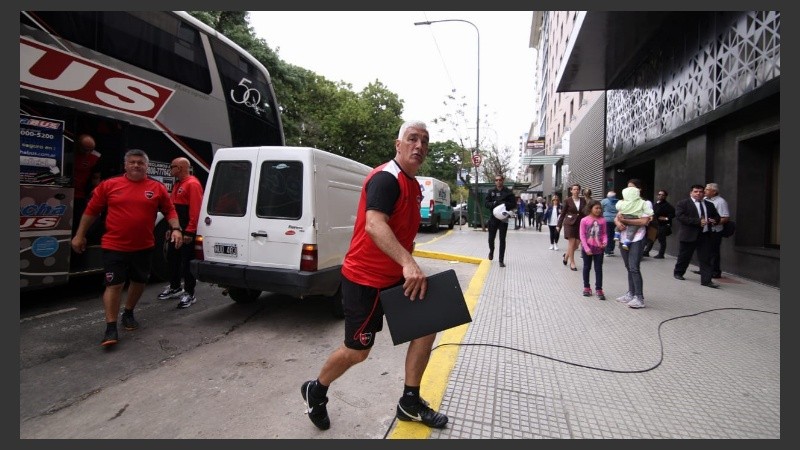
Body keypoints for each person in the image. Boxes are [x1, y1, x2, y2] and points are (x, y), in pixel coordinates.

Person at [300, 120, 448, 431]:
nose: (419, 145)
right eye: (412, 139)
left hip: (394, 278)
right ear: (398, 145)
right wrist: (409, 263)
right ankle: (317, 389)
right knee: (358, 352)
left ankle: (409, 402)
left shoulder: (415, 185)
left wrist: (406, 261)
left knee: (428, 325)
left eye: (424, 140)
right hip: (364, 280)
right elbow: (374, 225)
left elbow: (400, 231)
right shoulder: (386, 178)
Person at [71, 149, 183, 347]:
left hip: (144, 246)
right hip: (115, 245)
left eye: (140, 162)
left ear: (146, 166)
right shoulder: (110, 185)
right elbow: (91, 211)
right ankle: (111, 327)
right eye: (132, 162)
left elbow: (169, 210)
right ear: (125, 165)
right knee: (114, 284)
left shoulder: (156, 188)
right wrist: (80, 235)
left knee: (139, 282)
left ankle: (129, 312)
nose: (136, 165)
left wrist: (176, 228)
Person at [157, 157, 205, 308]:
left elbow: (195, 211)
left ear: (180, 168)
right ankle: (175, 287)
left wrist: (189, 233)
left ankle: (189, 293)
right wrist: (171, 229)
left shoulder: (192, 184)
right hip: (176, 230)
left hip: (186, 232)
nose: (170, 169)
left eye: (172, 166)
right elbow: (173, 210)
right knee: (173, 258)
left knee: (186, 262)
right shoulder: (178, 183)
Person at [673, 184, 721, 288]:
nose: (698, 193)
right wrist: (697, 222)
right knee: (684, 256)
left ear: (703, 193)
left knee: (706, 258)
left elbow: (717, 216)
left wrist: (715, 220)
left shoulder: (709, 204)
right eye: (695, 191)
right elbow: (680, 217)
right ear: (691, 193)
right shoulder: (683, 203)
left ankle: (706, 281)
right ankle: (678, 272)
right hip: (688, 234)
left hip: (705, 235)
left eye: (700, 192)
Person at [614, 179, 652, 309]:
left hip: (637, 238)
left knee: (634, 267)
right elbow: (617, 217)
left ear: (639, 190)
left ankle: (639, 297)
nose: (629, 190)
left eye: (632, 188)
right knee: (628, 267)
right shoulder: (624, 203)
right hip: (623, 238)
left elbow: (644, 221)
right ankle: (631, 293)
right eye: (628, 187)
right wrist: (618, 223)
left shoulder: (645, 203)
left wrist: (626, 221)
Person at [72, 134, 102, 233]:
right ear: (77, 146)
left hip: (81, 193)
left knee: (79, 219)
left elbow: (96, 177)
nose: (88, 153)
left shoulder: (96, 157)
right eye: (85, 150)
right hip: (68, 189)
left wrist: (95, 192)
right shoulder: (68, 151)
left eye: (91, 150)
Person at [484, 174, 516, 268]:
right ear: (495, 181)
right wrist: (493, 203)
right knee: (491, 238)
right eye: (496, 180)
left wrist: (504, 204)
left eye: (500, 180)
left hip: (503, 219)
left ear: (503, 180)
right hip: (493, 218)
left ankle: (501, 260)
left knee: (502, 240)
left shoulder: (508, 192)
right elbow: (486, 203)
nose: (498, 181)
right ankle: (491, 251)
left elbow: (513, 204)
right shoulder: (491, 192)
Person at [579, 200, 607, 300]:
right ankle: (586, 287)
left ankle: (599, 288)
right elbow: (582, 235)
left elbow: (604, 233)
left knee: (598, 269)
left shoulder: (603, 220)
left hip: (599, 249)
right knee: (587, 268)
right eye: (596, 208)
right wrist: (586, 248)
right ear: (590, 208)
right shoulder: (584, 220)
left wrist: (605, 241)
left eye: (600, 208)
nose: (598, 210)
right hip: (587, 248)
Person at [702, 183, 730, 278]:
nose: (704, 191)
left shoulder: (721, 202)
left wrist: (715, 222)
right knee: (705, 250)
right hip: (705, 229)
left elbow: (725, 217)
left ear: (714, 192)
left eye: (707, 189)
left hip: (715, 231)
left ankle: (715, 271)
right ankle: (705, 269)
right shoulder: (704, 200)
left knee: (714, 251)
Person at [614, 186, 653, 250]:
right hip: (633, 218)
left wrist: (622, 220)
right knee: (631, 230)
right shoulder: (640, 202)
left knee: (630, 229)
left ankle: (617, 234)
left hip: (637, 233)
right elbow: (616, 217)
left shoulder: (643, 202)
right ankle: (626, 241)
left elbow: (644, 221)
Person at [557, 183, 585, 271]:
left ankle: (566, 256)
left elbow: (586, 212)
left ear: (579, 190)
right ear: (571, 190)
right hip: (569, 223)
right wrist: (559, 225)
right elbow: (563, 213)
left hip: (580, 223)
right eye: (574, 189)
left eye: (577, 189)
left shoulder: (583, 200)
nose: (576, 191)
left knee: (576, 244)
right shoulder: (567, 200)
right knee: (571, 243)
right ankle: (572, 262)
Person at [643, 189, 676, 258]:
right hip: (654, 224)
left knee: (662, 240)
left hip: (662, 225)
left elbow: (673, 214)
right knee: (651, 238)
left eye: (663, 195)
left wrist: (666, 218)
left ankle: (661, 254)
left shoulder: (667, 205)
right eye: (659, 194)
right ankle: (646, 252)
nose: (660, 196)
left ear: (665, 196)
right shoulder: (656, 204)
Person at [600, 190, 619, 256]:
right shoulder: (618, 202)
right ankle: (611, 249)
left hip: (606, 220)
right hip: (615, 220)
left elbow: (600, 209)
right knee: (613, 235)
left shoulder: (604, 201)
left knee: (607, 235)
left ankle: (607, 250)